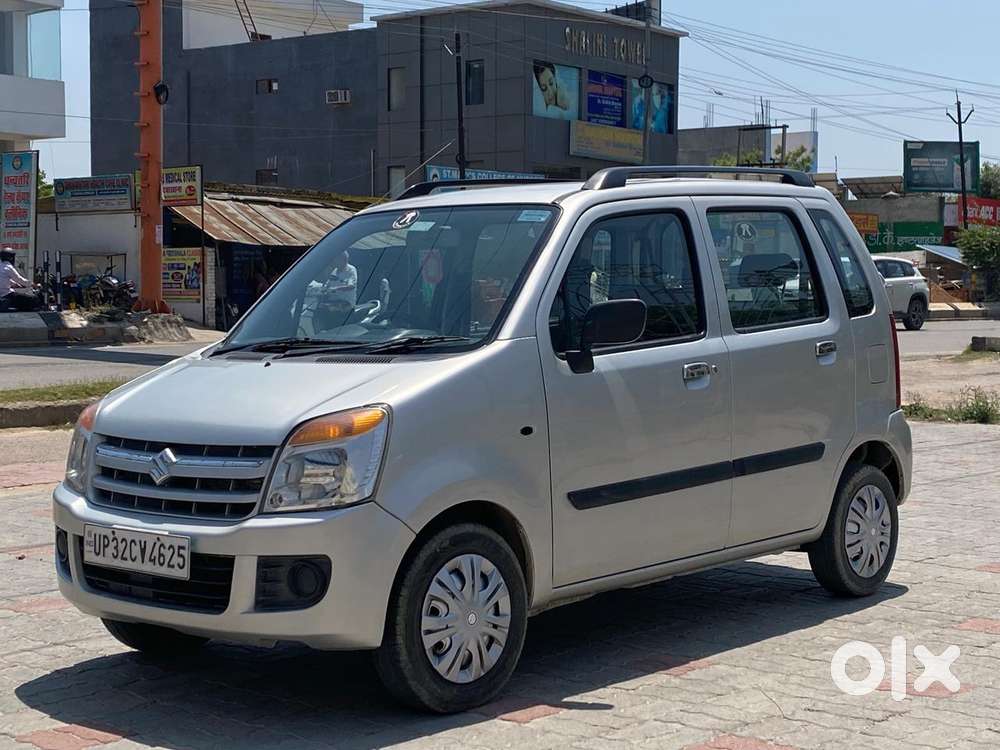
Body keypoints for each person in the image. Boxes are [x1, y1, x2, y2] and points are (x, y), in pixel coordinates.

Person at [314, 250, 358, 332]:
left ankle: (332, 331)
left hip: (346, 302)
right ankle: (321, 331)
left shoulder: (351, 270)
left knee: (329, 310)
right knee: (319, 308)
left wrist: (335, 289)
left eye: (336, 259)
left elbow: (351, 286)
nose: (334, 261)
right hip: (334, 301)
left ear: (343, 259)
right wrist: (322, 289)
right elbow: (328, 283)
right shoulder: (335, 271)